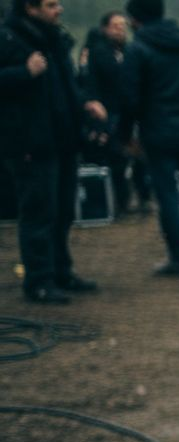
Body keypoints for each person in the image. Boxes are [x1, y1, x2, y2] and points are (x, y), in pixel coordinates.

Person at [0, 0, 104, 303]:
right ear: (31, 9)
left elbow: (66, 84)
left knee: (63, 211)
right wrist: (23, 72)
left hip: (63, 140)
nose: (59, 9)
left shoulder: (55, 38)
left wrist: (84, 103)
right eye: (51, 4)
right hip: (30, 143)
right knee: (38, 213)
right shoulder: (8, 39)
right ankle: (38, 281)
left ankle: (62, 272)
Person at [121, 0, 179, 276]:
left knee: (168, 196)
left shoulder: (137, 49)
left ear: (135, 19)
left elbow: (129, 98)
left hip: (157, 132)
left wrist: (126, 135)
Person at [80, 11, 149, 215]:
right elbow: (89, 84)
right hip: (109, 112)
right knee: (117, 157)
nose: (121, 30)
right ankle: (121, 200)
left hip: (132, 112)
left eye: (123, 26)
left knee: (141, 156)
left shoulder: (130, 50)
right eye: (116, 26)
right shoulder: (96, 52)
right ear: (105, 29)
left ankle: (143, 194)